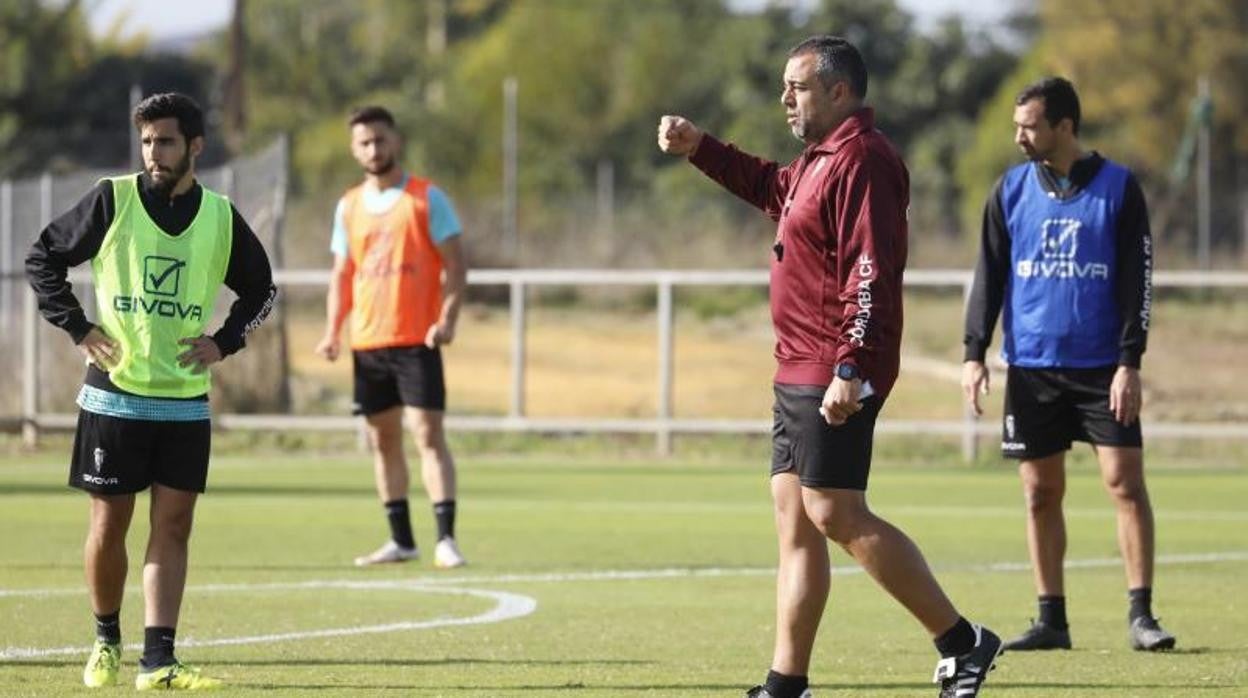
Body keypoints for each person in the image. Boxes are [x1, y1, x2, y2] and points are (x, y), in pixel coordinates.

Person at [658, 36, 1001, 698]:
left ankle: (963, 641)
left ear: (840, 92)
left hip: (832, 365)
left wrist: (851, 365)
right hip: (795, 366)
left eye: (799, 86)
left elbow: (870, 269)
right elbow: (768, 187)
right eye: (785, 86)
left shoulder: (866, 159)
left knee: (835, 512)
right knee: (796, 519)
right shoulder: (818, 160)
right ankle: (787, 684)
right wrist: (701, 145)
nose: (786, 97)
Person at [25, 92, 276, 690]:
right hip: (115, 396)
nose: (153, 154)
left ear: (195, 147)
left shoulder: (220, 216)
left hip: (185, 402)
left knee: (174, 529)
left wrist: (225, 341)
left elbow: (262, 290)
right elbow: (43, 259)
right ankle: (106, 639)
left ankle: (158, 660)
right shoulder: (113, 199)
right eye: (146, 143)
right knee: (109, 528)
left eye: (165, 142)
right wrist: (78, 326)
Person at [962, 77, 1175, 653]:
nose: (1019, 136)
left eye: (1029, 126)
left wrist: (1130, 361)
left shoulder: (1119, 189)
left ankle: (1141, 614)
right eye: (1017, 125)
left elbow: (1139, 282)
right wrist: (974, 352)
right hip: (1032, 367)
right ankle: (1051, 620)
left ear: (1064, 126)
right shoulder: (1008, 191)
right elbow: (989, 275)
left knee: (1124, 483)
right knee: (1039, 491)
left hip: (1103, 366)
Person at [315, 105, 468, 569]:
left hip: (416, 338)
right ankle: (401, 539)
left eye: (380, 140)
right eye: (364, 142)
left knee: (427, 433)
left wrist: (448, 319)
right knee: (383, 440)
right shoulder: (348, 206)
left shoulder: (426, 199)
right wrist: (332, 331)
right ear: (353, 148)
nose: (373, 149)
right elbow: (342, 274)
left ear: (395, 141)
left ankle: (445, 538)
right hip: (368, 342)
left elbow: (457, 267)